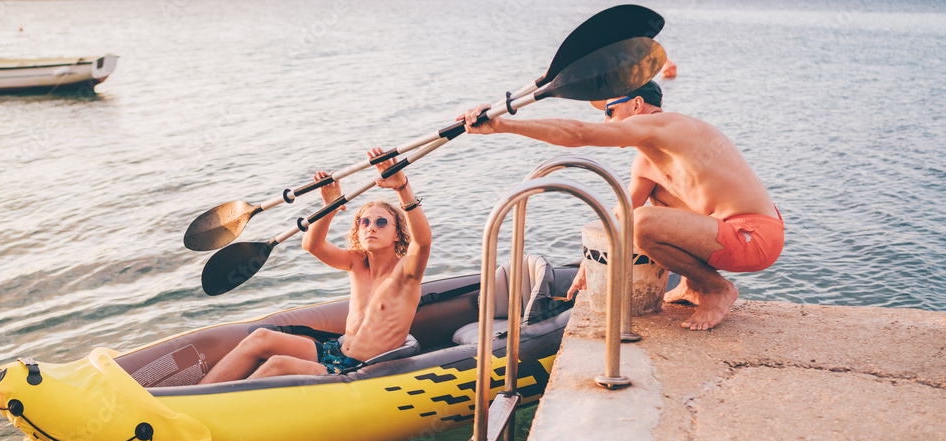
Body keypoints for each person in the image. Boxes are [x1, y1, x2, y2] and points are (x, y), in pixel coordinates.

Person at [459, 81, 783, 331]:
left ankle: (717, 289)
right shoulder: (647, 160)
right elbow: (620, 217)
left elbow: (579, 133)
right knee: (641, 212)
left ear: (638, 105)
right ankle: (692, 284)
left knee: (643, 224)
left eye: (610, 111)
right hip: (725, 233)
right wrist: (590, 265)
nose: (605, 120)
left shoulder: (667, 125)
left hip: (753, 235)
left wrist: (503, 126)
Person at [199, 148, 432, 383]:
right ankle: (196, 396)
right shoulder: (356, 263)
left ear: (397, 234)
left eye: (381, 222)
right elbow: (312, 245)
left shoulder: (406, 272)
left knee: (278, 364)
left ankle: (218, 406)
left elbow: (423, 242)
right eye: (364, 222)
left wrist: (402, 188)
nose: (371, 227)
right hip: (336, 352)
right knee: (260, 337)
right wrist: (329, 206)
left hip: (359, 368)